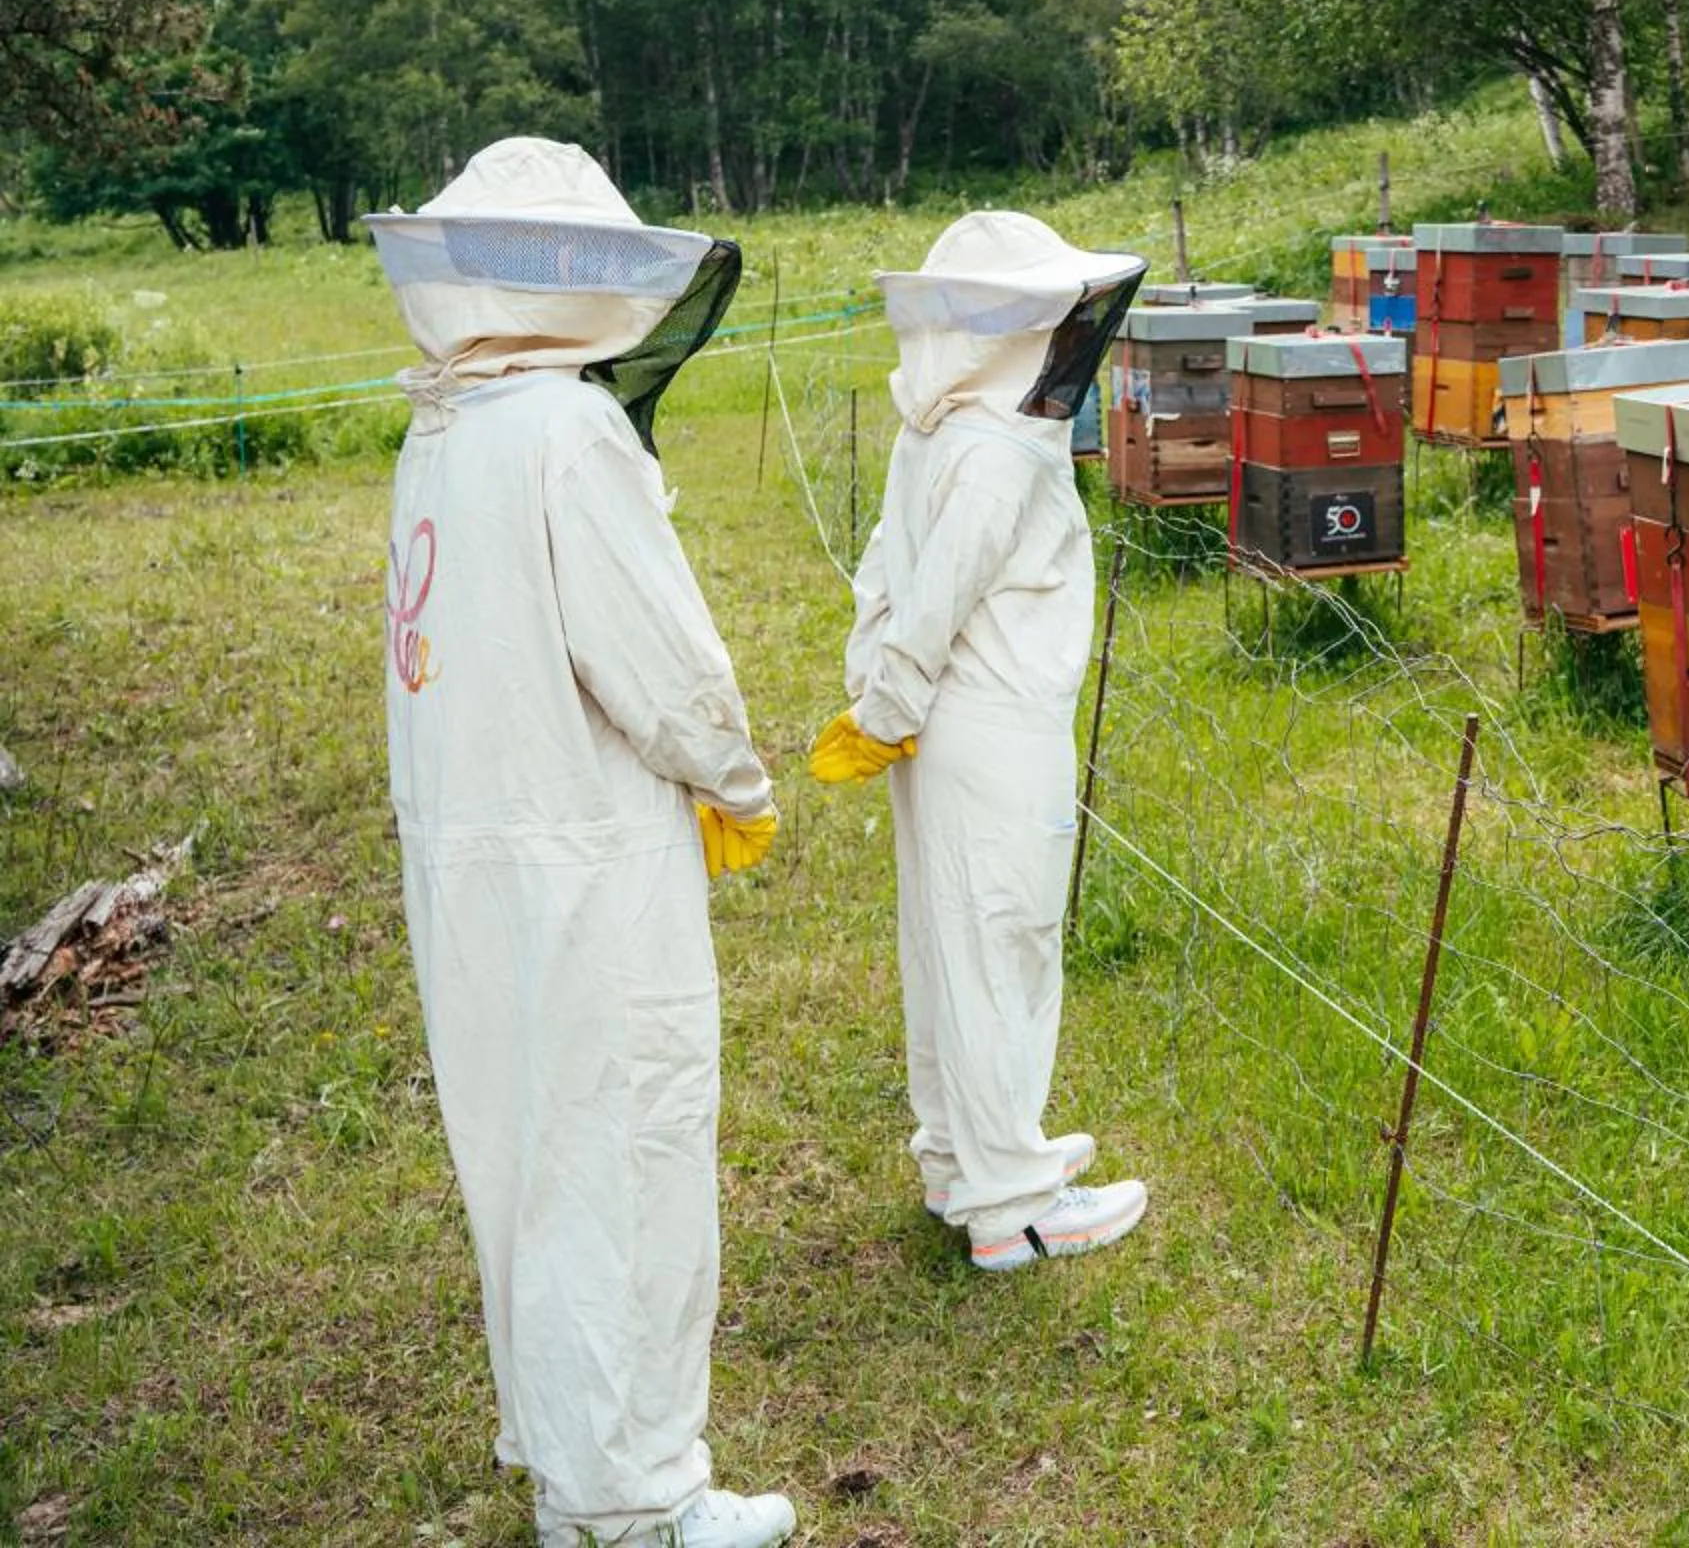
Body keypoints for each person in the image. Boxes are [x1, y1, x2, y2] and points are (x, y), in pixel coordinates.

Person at [370, 139, 796, 1548]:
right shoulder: (560, 428)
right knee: (624, 1148)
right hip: (589, 859)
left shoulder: (437, 428)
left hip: (474, 862)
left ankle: (577, 1478)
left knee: (529, 1158)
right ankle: (639, 1501)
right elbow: (658, 659)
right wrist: (733, 777)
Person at [810, 211, 1153, 1272]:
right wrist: (887, 702)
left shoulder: (942, 430)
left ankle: (957, 1158)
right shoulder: (999, 448)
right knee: (1004, 940)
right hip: (993, 722)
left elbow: (884, 574)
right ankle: (1015, 1204)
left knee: (948, 944)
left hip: (940, 729)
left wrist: (882, 701)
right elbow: (933, 594)